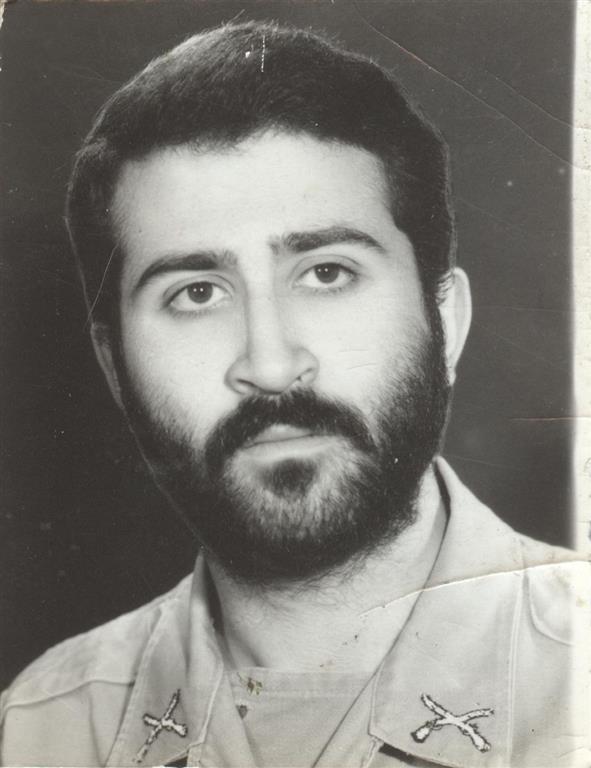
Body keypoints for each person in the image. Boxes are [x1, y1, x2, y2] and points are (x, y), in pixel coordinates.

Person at [0, 20, 588, 768]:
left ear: (445, 323)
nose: (272, 366)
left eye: (326, 273)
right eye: (197, 292)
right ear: (115, 367)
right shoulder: (37, 731)